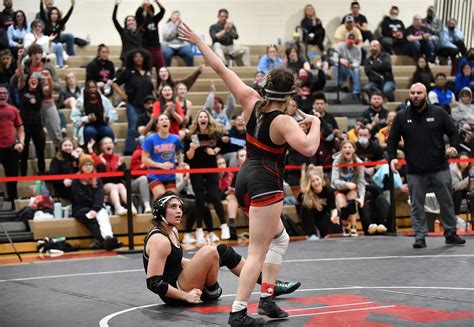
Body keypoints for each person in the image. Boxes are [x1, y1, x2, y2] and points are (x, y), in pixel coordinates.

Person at [179, 23, 321, 325]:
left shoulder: (249, 100)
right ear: (289, 95)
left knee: (279, 239)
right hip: (265, 183)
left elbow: (219, 67)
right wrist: (317, 122)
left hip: (245, 178)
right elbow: (309, 149)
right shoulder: (284, 121)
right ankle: (239, 312)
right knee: (258, 250)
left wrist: (199, 41)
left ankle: (268, 299)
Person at [143, 191, 301, 306]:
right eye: (173, 207)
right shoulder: (159, 241)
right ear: (161, 211)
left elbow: (174, 260)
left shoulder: (172, 231)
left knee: (223, 251)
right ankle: (210, 289)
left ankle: (270, 284)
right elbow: (154, 283)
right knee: (209, 251)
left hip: (182, 280)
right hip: (175, 292)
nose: (179, 210)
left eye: (180, 206)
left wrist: (199, 265)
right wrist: (185, 296)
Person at [388, 82, 466, 248]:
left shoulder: (438, 113)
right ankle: (419, 236)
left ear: (425, 95)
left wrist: (453, 146)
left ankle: (451, 232)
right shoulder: (402, 116)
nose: (415, 95)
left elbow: (453, 131)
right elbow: (392, 139)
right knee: (416, 205)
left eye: (419, 93)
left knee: (446, 202)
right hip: (415, 169)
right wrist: (392, 157)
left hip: (439, 167)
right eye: (413, 92)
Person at [184, 109, 227, 244]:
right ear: (197, 120)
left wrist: (214, 151)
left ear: (208, 119)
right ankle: (199, 230)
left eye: (205, 116)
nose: (203, 118)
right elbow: (188, 157)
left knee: (215, 195)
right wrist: (192, 148)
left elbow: (222, 143)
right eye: (200, 116)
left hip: (211, 168)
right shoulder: (191, 135)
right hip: (196, 168)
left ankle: (224, 225)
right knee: (200, 197)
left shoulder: (214, 134)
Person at [71, 154, 121, 250]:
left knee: (103, 216)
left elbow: (99, 195)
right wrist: (92, 209)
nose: (88, 167)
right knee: (91, 219)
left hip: (96, 207)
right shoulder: (76, 180)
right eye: (85, 165)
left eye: (90, 165)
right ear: (81, 167)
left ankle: (109, 237)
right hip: (81, 208)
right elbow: (79, 197)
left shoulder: (97, 179)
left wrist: (95, 209)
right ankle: (104, 241)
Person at [113, 49, 153, 155]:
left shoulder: (148, 72)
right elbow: (114, 83)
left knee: (145, 128)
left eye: (140, 56)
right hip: (132, 104)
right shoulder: (127, 72)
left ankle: (144, 150)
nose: (138, 58)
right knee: (133, 127)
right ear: (132, 58)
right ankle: (128, 151)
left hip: (147, 105)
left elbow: (152, 87)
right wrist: (122, 95)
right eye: (136, 56)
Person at [88, 137, 137, 216]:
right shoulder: (99, 159)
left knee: (120, 185)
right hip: (105, 184)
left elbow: (124, 177)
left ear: (113, 145)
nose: (108, 145)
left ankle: (131, 207)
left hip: (117, 184)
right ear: (101, 147)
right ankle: (118, 208)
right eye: (105, 143)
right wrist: (103, 165)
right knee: (114, 186)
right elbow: (102, 177)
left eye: (110, 143)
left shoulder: (118, 158)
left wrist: (120, 166)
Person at [142, 113, 182, 200]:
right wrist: (161, 165)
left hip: (170, 175)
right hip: (155, 176)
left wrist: (179, 163)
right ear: (157, 125)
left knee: (172, 201)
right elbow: (144, 159)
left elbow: (179, 152)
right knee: (162, 198)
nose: (164, 121)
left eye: (166, 119)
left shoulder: (176, 139)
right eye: (161, 119)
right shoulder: (150, 139)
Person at [18, 71, 51, 176]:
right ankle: (23, 175)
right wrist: (20, 59)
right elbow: (20, 74)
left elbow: (49, 89)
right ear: (28, 81)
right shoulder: (22, 89)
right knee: (24, 152)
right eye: (31, 78)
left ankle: (41, 173)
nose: (34, 80)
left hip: (37, 125)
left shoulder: (40, 92)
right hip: (24, 126)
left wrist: (49, 78)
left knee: (40, 150)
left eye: (36, 79)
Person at [331, 141, 365, 237]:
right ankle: (345, 225)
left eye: (349, 147)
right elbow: (334, 181)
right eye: (345, 147)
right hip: (340, 188)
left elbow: (361, 182)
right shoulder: (336, 161)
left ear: (353, 149)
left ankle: (354, 227)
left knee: (352, 201)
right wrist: (346, 184)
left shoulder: (358, 163)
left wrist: (362, 197)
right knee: (342, 204)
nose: (347, 149)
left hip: (352, 189)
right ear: (341, 150)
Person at [72, 80, 117, 146]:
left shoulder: (104, 100)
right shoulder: (80, 101)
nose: (92, 90)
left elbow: (113, 113)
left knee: (108, 132)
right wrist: (87, 119)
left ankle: (108, 153)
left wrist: (107, 118)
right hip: (86, 125)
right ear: (86, 89)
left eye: (94, 87)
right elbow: (74, 118)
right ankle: (90, 151)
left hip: (101, 124)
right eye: (90, 88)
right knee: (90, 132)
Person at [298, 164, 338, 240]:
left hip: (322, 215)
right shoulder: (306, 193)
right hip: (310, 216)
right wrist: (303, 172)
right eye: (312, 181)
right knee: (305, 208)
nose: (316, 183)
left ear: (321, 179)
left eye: (317, 179)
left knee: (326, 217)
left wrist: (333, 217)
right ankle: (311, 234)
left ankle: (324, 234)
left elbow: (333, 208)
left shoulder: (329, 191)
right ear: (310, 183)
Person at [0, 84, 23, 203]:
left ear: (8, 96)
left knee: (13, 175)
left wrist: (21, 142)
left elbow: (20, 128)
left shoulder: (13, 109)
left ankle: (13, 200)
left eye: (4, 93)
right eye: (0, 93)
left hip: (11, 147)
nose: (2, 95)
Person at [39, 0, 74, 68]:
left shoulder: (59, 24)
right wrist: (41, 2)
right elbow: (42, 13)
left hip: (57, 43)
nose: (54, 16)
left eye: (56, 14)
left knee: (59, 45)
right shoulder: (46, 22)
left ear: (58, 15)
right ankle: (55, 64)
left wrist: (72, 6)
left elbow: (67, 17)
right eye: (52, 14)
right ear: (49, 15)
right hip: (49, 44)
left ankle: (60, 64)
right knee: (56, 45)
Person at [135, 0, 166, 75]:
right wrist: (143, 4)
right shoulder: (140, 20)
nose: (148, 12)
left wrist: (156, 1)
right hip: (146, 48)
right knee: (148, 69)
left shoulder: (155, 19)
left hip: (156, 48)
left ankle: (161, 85)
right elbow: (137, 13)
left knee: (162, 68)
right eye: (146, 10)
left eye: (149, 10)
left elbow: (163, 10)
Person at [112, 0, 143, 65]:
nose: (131, 22)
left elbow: (146, 19)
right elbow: (114, 19)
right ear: (126, 23)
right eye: (129, 20)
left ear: (136, 22)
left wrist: (145, 7)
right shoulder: (123, 31)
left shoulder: (140, 30)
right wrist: (116, 5)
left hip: (138, 58)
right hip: (127, 58)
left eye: (133, 20)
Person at [333, 33, 362, 101]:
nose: (350, 43)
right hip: (342, 66)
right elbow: (334, 58)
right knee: (335, 66)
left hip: (352, 67)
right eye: (349, 41)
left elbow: (358, 61)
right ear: (345, 40)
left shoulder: (357, 48)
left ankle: (356, 92)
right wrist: (341, 60)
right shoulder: (340, 46)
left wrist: (352, 65)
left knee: (356, 70)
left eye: (352, 41)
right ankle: (339, 85)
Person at [216, 155, 238, 240]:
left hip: (230, 197)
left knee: (231, 196)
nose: (222, 165)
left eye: (223, 163)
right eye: (219, 164)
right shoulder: (213, 177)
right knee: (229, 197)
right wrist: (226, 192)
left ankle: (232, 224)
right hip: (218, 199)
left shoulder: (231, 175)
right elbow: (215, 195)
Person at [450, 152, 471, 219]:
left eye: (466, 161)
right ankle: (455, 216)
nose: (464, 162)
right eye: (462, 161)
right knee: (458, 194)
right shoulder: (452, 170)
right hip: (454, 191)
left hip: (467, 189)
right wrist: (469, 179)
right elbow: (456, 186)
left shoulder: (470, 169)